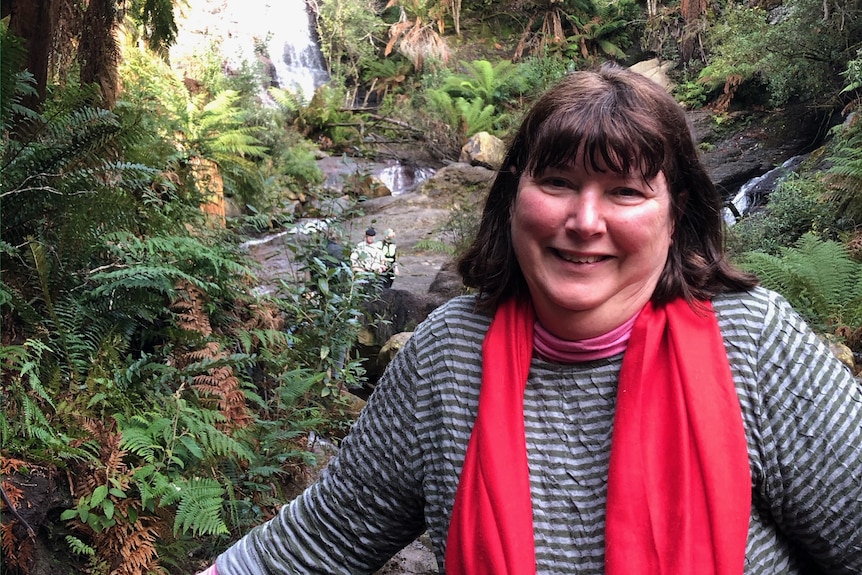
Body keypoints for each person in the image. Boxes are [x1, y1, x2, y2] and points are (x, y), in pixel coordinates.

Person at [197, 63, 861, 575]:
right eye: (559, 182)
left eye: (625, 191)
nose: (584, 221)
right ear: (515, 192)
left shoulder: (754, 341)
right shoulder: (448, 356)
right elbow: (325, 537)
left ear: (675, 210)